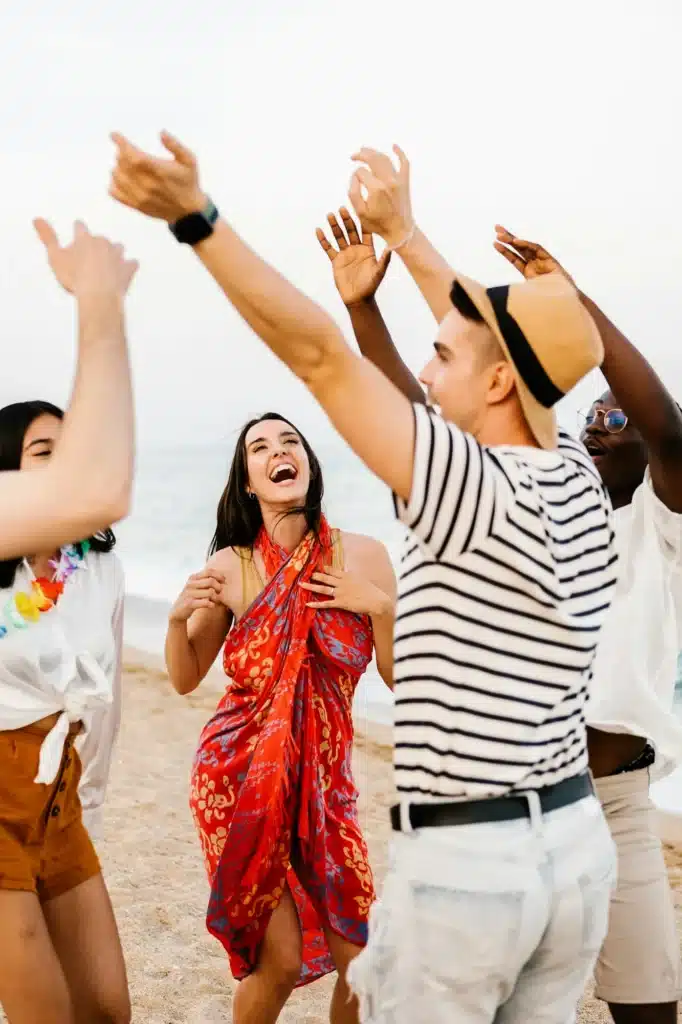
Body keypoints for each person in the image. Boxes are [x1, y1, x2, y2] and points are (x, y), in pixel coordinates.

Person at [109, 131, 618, 1023]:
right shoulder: (574, 473)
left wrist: (198, 218)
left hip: (477, 869)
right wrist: (410, 237)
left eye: (443, 359)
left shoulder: (472, 490)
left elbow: (320, 359)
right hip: (575, 851)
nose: (422, 373)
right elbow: (506, 356)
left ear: (498, 380)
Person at [493, 227, 682, 1024]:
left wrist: (577, 307)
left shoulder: (663, 525)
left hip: (622, 805)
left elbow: (665, 423)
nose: (602, 418)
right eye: (593, 411)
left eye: (617, 412)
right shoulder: (554, 517)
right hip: (527, 800)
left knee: (652, 1004)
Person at [164, 411, 395, 1024]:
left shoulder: (365, 557)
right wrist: (172, 620)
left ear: (309, 464)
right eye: (259, 448)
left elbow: (402, 679)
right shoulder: (231, 567)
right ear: (248, 481)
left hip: (325, 785)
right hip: (238, 779)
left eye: (289, 441)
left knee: (365, 962)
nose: (277, 452)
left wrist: (380, 608)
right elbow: (186, 677)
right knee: (282, 960)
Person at [0, 401, 130, 1024]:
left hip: (63, 799)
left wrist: (90, 808)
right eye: (43, 452)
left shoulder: (99, 567)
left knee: (106, 1009)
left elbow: (108, 710)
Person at [0, 220, 137, 561]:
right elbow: (94, 489)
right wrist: (99, 294)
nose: (66, 464)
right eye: (46, 453)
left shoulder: (101, 568)